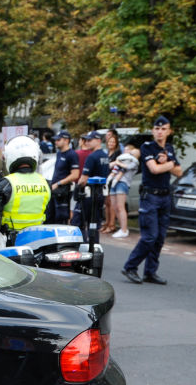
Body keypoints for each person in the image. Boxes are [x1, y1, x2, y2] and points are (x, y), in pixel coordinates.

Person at [122, 116, 182, 285]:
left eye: (163, 129)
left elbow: (179, 172)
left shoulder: (169, 148)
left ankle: (150, 272)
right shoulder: (147, 147)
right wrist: (169, 165)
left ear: (169, 131)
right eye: (157, 128)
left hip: (164, 196)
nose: (160, 131)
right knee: (149, 236)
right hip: (150, 197)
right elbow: (154, 169)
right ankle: (130, 267)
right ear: (153, 130)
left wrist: (167, 162)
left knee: (160, 238)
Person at [0, 135, 51, 241]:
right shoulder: (45, 183)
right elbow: (49, 213)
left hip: (12, 241)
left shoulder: (6, 183)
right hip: (38, 238)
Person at [73, 131, 110, 243]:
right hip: (100, 193)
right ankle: (95, 248)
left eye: (90, 140)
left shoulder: (92, 157)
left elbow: (83, 179)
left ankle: (83, 248)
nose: (87, 142)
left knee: (78, 222)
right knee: (94, 224)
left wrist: (77, 188)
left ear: (98, 140)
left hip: (89, 194)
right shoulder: (104, 155)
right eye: (86, 140)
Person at [108, 143, 140, 238]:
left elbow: (127, 167)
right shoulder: (121, 159)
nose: (125, 152)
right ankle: (122, 227)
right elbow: (110, 165)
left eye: (127, 150)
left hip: (123, 183)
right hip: (114, 182)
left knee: (120, 206)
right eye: (124, 150)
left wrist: (117, 162)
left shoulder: (133, 162)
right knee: (114, 206)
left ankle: (124, 229)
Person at [48, 131, 80, 223]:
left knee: (61, 218)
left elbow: (75, 174)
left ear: (66, 141)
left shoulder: (72, 154)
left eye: (58, 140)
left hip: (63, 192)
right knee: (50, 218)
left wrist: (58, 183)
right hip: (54, 190)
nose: (56, 142)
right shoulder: (59, 153)